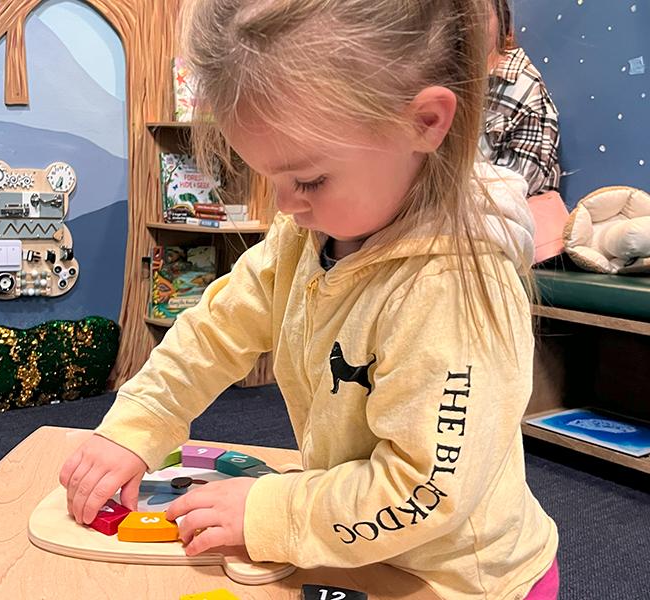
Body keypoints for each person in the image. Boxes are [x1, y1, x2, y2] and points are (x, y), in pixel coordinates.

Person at [61, 1, 559, 598]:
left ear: (423, 122)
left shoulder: (448, 288)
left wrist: (276, 514)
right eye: (268, 176)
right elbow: (214, 331)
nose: (285, 206)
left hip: (460, 582)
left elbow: (426, 489)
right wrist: (137, 424)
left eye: (310, 180)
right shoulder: (307, 231)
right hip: (357, 551)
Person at [482, 0, 562, 197]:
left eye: (479, 17)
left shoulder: (524, 88)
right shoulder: (444, 77)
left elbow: (517, 191)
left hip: (502, 217)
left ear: (502, 21)